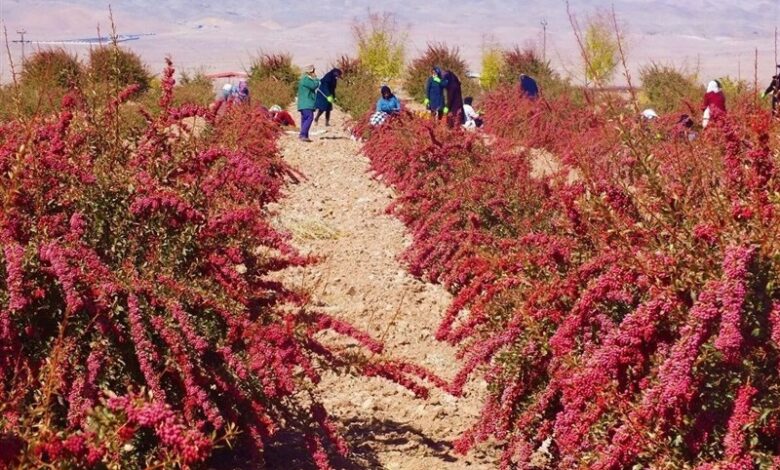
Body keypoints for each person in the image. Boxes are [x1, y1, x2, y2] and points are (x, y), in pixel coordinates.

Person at [297, 65, 320, 142]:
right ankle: (302, 135)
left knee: (304, 119)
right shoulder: (306, 79)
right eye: (313, 71)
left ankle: (305, 136)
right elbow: (314, 86)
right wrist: (316, 79)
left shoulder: (303, 79)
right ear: (310, 72)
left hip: (303, 104)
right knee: (309, 117)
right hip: (306, 103)